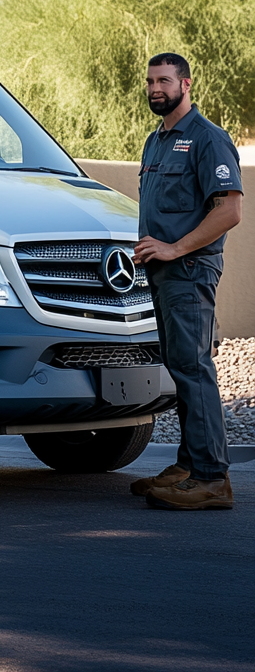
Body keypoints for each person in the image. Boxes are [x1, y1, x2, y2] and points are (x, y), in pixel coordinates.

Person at [130, 53, 242, 510]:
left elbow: (229, 211)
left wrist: (176, 248)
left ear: (186, 84)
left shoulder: (208, 139)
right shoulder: (155, 142)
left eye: (164, 80)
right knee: (182, 369)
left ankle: (212, 478)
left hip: (189, 271)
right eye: (151, 81)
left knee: (194, 369)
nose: (156, 88)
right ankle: (188, 466)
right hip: (162, 274)